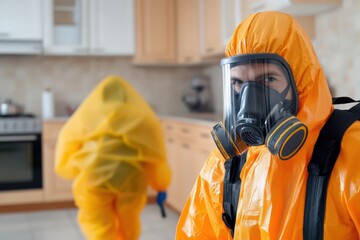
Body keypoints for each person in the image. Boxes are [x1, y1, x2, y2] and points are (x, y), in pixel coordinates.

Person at [175, 11, 360, 239]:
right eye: (238, 82)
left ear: (300, 80)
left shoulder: (352, 152)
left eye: (267, 80)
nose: (249, 98)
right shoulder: (226, 165)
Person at [55, 75, 172, 240]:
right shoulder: (143, 119)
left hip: (93, 179)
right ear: (129, 97)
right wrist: (160, 185)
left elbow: (66, 143)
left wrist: (71, 168)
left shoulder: (87, 116)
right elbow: (156, 155)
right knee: (128, 224)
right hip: (131, 181)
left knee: (98, 226)